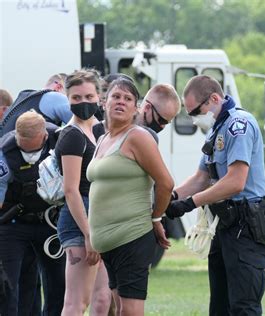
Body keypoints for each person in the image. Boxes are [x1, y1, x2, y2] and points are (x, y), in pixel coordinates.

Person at [165, 75, 265, 315]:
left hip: (246, 225)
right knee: (220, 307)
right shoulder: (216, 129)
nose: (194, 118)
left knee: (243, 307)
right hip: (224, 226)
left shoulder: (239, 125)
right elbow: (201, 178)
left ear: (214, 98)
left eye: (195, 111)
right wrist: (171, 199)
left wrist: (190, 204)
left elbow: (236, 181)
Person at [87, 78, 174, 316]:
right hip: (108, 243)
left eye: (128, 99)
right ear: (104, 102)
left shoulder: (138, 137)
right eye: (116, 97)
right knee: (119, 310)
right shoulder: (104, 138)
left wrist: (156, 218)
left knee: (131, 311)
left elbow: (166, 183)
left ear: (137, 108)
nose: (121, 102)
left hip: (131, 237)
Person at [55, 69, 110, 315]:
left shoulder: (98, 130)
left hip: (101, 217)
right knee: (77, 302)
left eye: (88, 96)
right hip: (81, 220)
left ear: (99, 96)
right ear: (67, 99)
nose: (83, 103)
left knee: (102, 300)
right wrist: (89, 235)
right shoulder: (72, 136)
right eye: (76, 98)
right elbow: (71, 190)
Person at [0, 111, 66, 316]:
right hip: (14, 225)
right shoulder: (4, 152)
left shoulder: (61, 141)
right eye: (22, 145)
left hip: (51, 224)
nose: (26, 151)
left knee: (58, 286)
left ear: (44, 136)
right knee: (7, 288)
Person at [1, 73, 72, 137]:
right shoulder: (55, 97)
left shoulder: (22, 98)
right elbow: (80, 124)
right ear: (58, 87)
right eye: (72, 97)